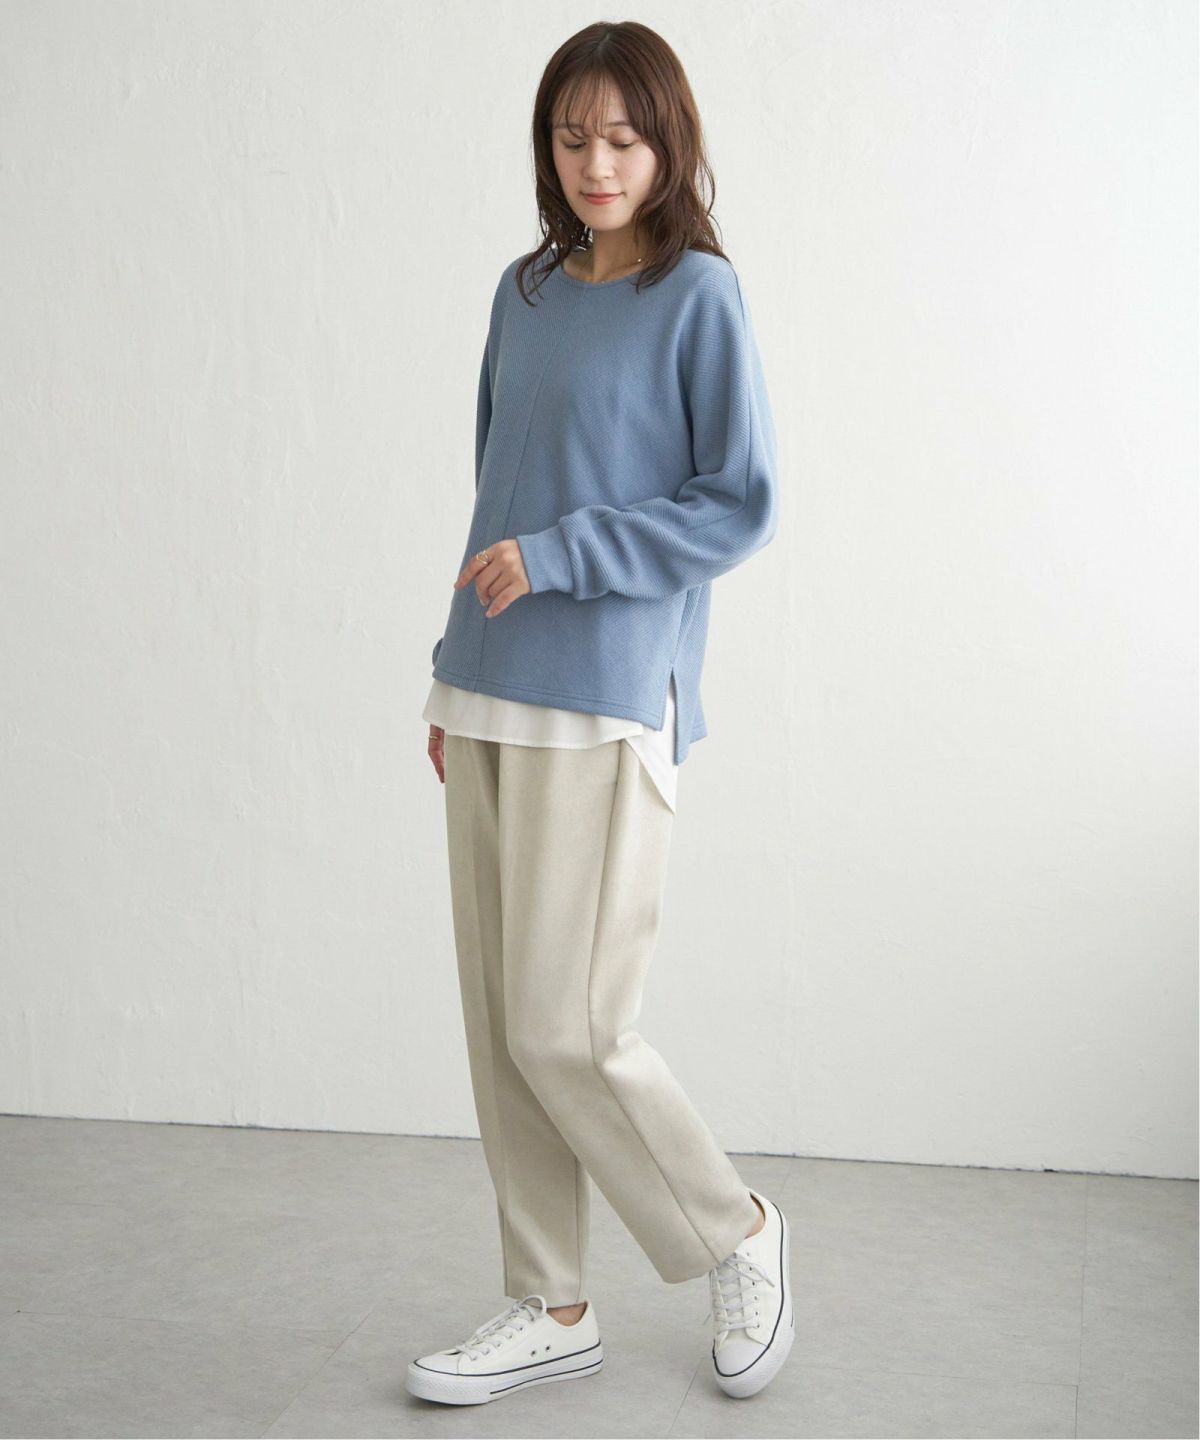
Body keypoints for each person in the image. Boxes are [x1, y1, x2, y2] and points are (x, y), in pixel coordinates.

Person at [407, 20, 792, 1407]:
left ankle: (734, 1232)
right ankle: (548, 1300)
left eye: (623, 137)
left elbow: (736, 505)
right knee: (501, 1026)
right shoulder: (524, 292)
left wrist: (566, 557)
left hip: (612, 692)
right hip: (488, 687)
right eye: (572, 137)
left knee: (568, 1025)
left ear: (666, 143)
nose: (596, 163)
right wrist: (451, 665)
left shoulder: (700, 298)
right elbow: (495, 490)